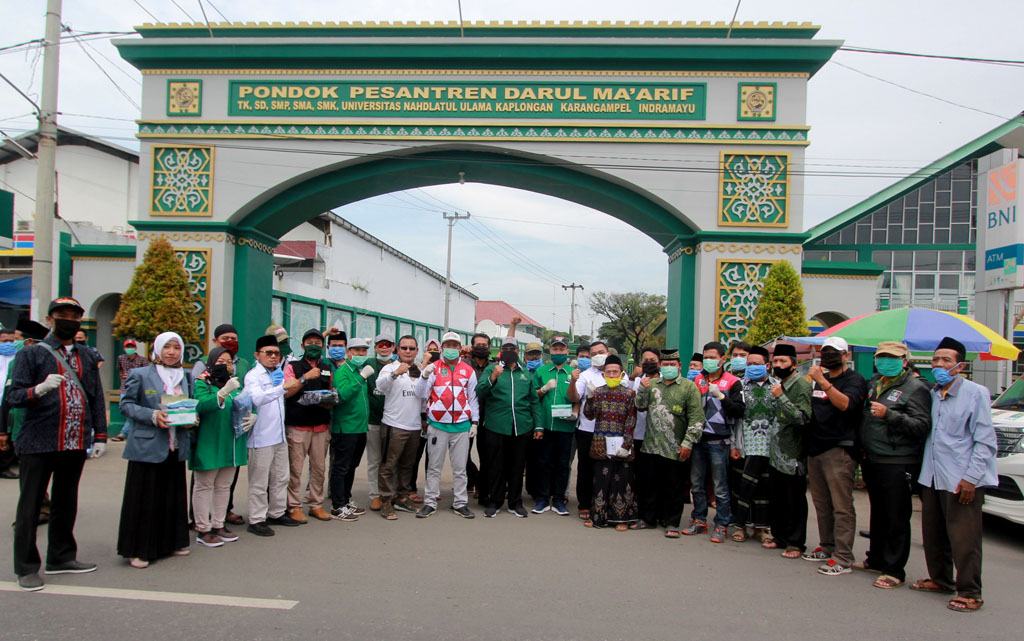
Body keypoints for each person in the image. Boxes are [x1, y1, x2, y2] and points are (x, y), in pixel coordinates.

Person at [5, 298, 106, 591]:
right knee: (31, 506)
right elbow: (12, 396)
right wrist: (37, 390)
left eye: (74, 316)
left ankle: (61, 557)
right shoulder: (31, 354)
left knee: (66, 501)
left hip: (74, 441)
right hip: (38, 441)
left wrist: (99, 434)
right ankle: (26, 566)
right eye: (62, 315)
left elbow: (96, 397)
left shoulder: (87, 355)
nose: (69, 320)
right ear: (50, 319)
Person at [910, 337, 996, 612]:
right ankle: (941, 579)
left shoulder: (976, 393)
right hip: (933, 474)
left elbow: (985, 441)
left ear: (960, 366)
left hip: (961, 478)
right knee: (933, 532)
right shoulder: (932, 392)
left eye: (946, 360)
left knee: (964, 538)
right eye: (935, 359)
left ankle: (971, 591)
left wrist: (971, 478)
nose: (939, 364)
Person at [856, 341, 931, 588]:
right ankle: (876, 559)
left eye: (892, 358)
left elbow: (921, 426)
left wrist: (890, 415)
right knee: (878, 513)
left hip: (898, 460)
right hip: (873, 457)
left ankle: (894, 569)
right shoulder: (875, 383)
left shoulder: (915, 388)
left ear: (904, 361)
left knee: (896, 515)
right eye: (882, 357)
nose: (885, 362)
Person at [117, 332, 192, 568]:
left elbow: (189, 404)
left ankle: (171, 542)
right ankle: (138, 549)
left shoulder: (186, 376)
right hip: (147, 444)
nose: (171, 352)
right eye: (167, 347)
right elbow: (126, 404)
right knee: (144, 498)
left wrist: (191, 419)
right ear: (157, 350)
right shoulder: (141, 374)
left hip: (174, 444)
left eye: (176, 347)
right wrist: (151, 415)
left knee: (171, 496)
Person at [802, 336, 867, 576]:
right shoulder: (822, 380)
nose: (829, 356)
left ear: (846, 355)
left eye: (834, 352)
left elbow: (846, 405)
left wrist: (822, 381)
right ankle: (827, 546)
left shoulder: (854, 380)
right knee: (821, 505)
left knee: (842, 507)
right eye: (825, 352)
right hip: (816, 448)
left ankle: (843, 557)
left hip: (839, 449)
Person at [634, 348, 704, 537]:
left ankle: (671, 522)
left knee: (673, 486)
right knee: (649, 484)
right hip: (650, 444)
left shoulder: (689, 387)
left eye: (672, 365)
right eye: (665, 365)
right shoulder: (652, 383)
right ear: (660, 366)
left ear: (679, 366)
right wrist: (642, 388)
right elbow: (640, 407)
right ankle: (648, 518)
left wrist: (688, 443)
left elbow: (697, 418)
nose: (669, 367)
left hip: (675, 446)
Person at [191, 347, 251, 548]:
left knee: (224, 486)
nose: (224, 365)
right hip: (209, 440)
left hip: (231, 442)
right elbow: (201, 406)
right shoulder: (202, 382)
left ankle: (218, 525)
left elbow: (245, 403)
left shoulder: (234, 383)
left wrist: (253, 414)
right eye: (220, 361)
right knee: (204, 485)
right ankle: (203, 528)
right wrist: (223, 393)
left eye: (228, 362)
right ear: (211, 362)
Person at [684, 341, 744, 543]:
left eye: (712, 357)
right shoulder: (697, 381)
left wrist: (721, 397)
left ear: (722, 359)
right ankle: (699, 520)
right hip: (698, 439)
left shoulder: (732, 382)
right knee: (697, 484)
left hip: (720, 440)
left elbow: (739, 410)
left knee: (720, 486)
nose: (709, 361)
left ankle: (721, 524)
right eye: (706, 358)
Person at [475, 338, 541, 518]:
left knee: (517, 467)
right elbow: (479, 392)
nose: (509, 351)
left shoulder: (526, 373)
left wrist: (538, 425)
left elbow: (534, 401)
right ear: (500, 351)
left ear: (518, 351)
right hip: (496, 426)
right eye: (506, 348)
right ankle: (495, 501)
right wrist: (493, 377)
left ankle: (515, 502)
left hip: (521, 427)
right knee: (496, 466)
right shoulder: (492, 369)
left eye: (512, 348)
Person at [244, 335, 303, 536]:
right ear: (257, 355)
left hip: (278, 436)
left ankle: (277, 512)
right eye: (268, 353)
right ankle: (256, 519)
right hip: (261, 438)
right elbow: (258, 398)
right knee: (259, 481)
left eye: (276, 353)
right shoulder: (253, 376)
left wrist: (281, 385)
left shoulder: (277, 374)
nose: (273, 357)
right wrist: (282, 388)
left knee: (280, 477)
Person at [416, 332, 479, 519]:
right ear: (442, 347)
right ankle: (430, 502)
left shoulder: (468, 370)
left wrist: (474, 422)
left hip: (461, 426)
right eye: (448, 345)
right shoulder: (434, 368)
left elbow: (473, 399)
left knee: (460, 468)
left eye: (455, 345)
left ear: (460, 348)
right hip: (437, 425)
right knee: (434, 467)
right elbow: (420, 394)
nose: (451, 348)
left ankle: (460, 503)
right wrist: (424, 376)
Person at [567, 340, 629, 521]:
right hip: (588, 429)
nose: (596, 356)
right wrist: (573, 381)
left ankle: (605, 503)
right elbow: (574, 397)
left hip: (613, 430)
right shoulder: (586, 375)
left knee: (609, 469)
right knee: (586, 468)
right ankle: (585, 504)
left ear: (608, 353)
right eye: (593, 353)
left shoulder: (619, 374)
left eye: (600, 352)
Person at [282, 328, 334, 523]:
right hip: (298, 425)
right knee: (296, 468)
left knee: (319, 468)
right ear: (303, 346)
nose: (314, 346)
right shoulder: (293, 366)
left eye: (318, 343)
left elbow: (330, 390)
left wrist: (329, 401)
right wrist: (305, 378)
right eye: (310, 343)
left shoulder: (327, 366)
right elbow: (286, 392)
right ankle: (294, 506)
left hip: (321, 424)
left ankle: (315, 504)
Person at [581, 355, 638, 530]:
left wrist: (627, 444)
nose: (612, 375)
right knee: (601, 480)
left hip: (622, 443)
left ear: (621, 374)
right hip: (600, 443)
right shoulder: (597, 392)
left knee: (622, 481)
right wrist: (589, 398)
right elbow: (589, 415)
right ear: (604, 374)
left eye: (615, 372)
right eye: (608, 372)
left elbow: (631, 420)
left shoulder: (629, 394)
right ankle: (597, 516)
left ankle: (622, 519)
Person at [768, 343, 813, 559]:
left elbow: (803, 418)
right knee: (778, 498)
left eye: (782, 361)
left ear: (794, 365)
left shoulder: (800, 386)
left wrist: (781, 398)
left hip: (793, 453)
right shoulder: (779, 384)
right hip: (776, 452)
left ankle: (795, 543)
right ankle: (779, 537)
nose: (778, 365)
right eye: (775, 361)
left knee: (794, 500)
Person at [730, 345, 778, 544]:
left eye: (756, 364)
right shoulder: (739, 386)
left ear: (767, 365)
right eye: (749, 364)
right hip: (745, 446)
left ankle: (762, 527)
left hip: (769, 447)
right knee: (742, 487)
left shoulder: (777, 387)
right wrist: (733, 444)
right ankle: (740, 525)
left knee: (764, 490)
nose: (752, 367)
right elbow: (733, 419)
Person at [376, 335, 427, 520]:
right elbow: (380, 387)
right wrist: (395, 373)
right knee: (389, 465)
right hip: (393, 425)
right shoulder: (389, 368)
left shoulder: (421, 369)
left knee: (407, 465)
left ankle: (403, 497)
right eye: (404, 348)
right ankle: (386, 501)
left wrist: (423, 418)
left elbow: (423, 398)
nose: (407, 351)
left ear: (417, 351)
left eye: (411, 348)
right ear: (397, 350)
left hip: (414, 426)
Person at [329, 336, 374, 520]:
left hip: (360, 428)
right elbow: (345, 395)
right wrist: (362, 378)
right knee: (341, 467)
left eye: (364, 351)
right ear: (348, 353)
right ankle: (337, 505)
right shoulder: (343, 372)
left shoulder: (358, 369)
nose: (361, 354)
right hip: (345, 428)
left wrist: (361, 375)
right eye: (357, 351)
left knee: (351, 466)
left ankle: (346, 500)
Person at [0, 321, 51, 482]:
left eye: (15, 339)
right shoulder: (17, 361)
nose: (13, 344)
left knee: (35, 468)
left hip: (35, 422)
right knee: (29, 467)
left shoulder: (46, 361)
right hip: (18, 419)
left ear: (28, 341)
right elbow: (9, 395)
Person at [531, 336, 577, 516]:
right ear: (550, 351)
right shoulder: (541, 372)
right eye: (555, 349)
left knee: (562, 464)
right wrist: (544, 389)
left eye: (562, 349)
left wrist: (575, 411)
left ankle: (558, 499)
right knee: (542, 463)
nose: (558, 352)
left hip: (565, 427)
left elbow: (576, 398)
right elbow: (533, 399)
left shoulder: (573, 372)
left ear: (567, 352)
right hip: (546, 426)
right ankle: (542, 499)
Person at [628, 346, 661, 521]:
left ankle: (658, 513)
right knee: (642, 476)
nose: (649, 363)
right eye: (646, 360)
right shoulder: (636, 381)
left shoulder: (666, 381)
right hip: (639, 435)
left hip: (660, 437)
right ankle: (642, 512)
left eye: (652, 360)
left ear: (659, 363)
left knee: (659, 477)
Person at [365, 333, 395, 511]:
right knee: (374, 460)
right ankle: (374, 495)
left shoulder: (398, 366)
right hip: (374, 420)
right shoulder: (368, 365)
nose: (384, 348)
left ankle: (391, 493)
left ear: (393, 347)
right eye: (380, 345)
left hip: (394, 421)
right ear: (375, 347)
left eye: (388, 344)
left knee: (392, 460)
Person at [466, 332, 493, 495]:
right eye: (478, 345)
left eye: (484, 345)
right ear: (472, 346)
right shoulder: (464, 365)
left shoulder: (494, 367)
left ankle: (482, 485)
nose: (481, 348)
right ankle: (474, 477)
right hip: (466, 415)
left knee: (486, 454)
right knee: (462, 454)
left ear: (489, 347)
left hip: (488, 415)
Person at [522, 341, 546, 501]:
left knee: (538, 458)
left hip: (541, 420)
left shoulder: (545, 371)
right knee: (520, 457)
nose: (534, 357)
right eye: (531, 354)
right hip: (523, 420)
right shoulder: (520, 371)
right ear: (524, 356)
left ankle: (536, 490)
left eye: (537, 354)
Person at [0, 325, 18, 479]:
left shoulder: (16, 356)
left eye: (11, 341)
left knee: (6, 434)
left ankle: (4, 466)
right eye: (4, 341)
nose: (8, 344)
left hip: (7, 401)